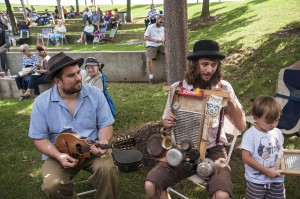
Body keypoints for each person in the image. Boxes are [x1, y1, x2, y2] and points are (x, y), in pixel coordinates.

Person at [144, 39, 247, 199]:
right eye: (205, 64)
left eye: (214, 65)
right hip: (182, 149)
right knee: (151, 186)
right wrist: (168, 122)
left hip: (213, 150)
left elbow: (241, 126)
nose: (210, 69)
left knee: (222, 195)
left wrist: (231, 101)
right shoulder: (178, 88)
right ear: (194, 65)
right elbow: (166, 121)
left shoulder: (224, 88)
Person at [28, 52, 118, 199]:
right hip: (59, 153)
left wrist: (103, 141)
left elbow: (105, 125)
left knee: (107, 170)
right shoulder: (41, 103)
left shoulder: (95, 94)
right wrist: (58, 155)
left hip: (92, 150)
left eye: (78, 72)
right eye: (71, 75)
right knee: (52, 185)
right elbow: (39, 138)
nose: (78, 78)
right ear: (57, 81)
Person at [241, 96, 285, 199]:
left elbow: (280, 152)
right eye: (269, 122)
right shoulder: (250, 135)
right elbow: (246, 158)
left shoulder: (278, 133)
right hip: (257, 181)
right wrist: (267, 171)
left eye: (276, 120)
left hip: (277, 180)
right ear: (255, 118)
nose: (274, 125)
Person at [144, 15, 165, 83]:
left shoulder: (162, 28)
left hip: (160, 45)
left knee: (170, 53)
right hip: (151, 45)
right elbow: (145, 37)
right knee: (149, 60)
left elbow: (164, 37)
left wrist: (162, 40)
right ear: (157, 20)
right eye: (160, 21)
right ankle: (151, 77)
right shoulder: (150, 27)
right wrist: (154, 40)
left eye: (163, 22)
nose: (161, 23)